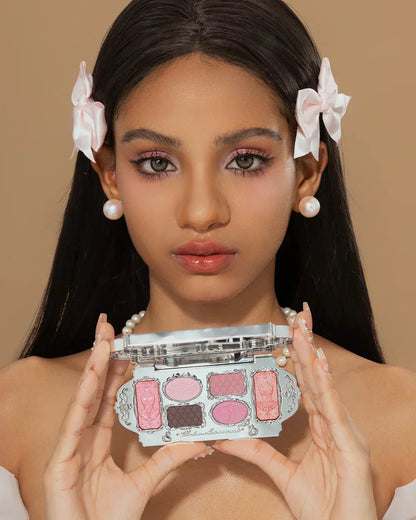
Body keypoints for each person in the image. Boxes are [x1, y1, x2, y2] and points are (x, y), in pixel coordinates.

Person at [0, 0, 415, 518]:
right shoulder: (16, 414)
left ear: (307, 172)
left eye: (246, 160)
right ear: (109, 175)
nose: (201, 212)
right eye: (157, 163)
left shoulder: (402, 422)